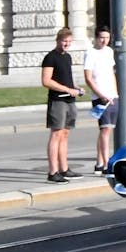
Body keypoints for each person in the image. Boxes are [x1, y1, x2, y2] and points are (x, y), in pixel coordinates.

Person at [39, 27, 84, 182]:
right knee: (56, 134)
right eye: (64, 41)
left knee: (65, 134)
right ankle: (53, 172)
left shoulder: (68, 57)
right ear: (58, 40)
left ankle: (64, 169)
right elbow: (46, 81)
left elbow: (66, 78)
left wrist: (76, 87)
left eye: (69, 41)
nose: (67, 44)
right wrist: (67, 89)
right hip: (58, 100)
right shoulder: (50, 57)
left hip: (70, 100)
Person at [82, 25, 119, 172]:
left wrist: (115, 93)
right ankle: (106, 163)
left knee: (107, 130)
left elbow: (111, 73)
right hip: (100, 96)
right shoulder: (90, 53)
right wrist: (101, 95)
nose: (104, 41)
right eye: (102, 37)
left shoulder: (109, 52)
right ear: (96, 38)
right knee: (105, 130)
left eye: (107, 38)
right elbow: (88, 78)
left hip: (112, 95)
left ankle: (99, 163)